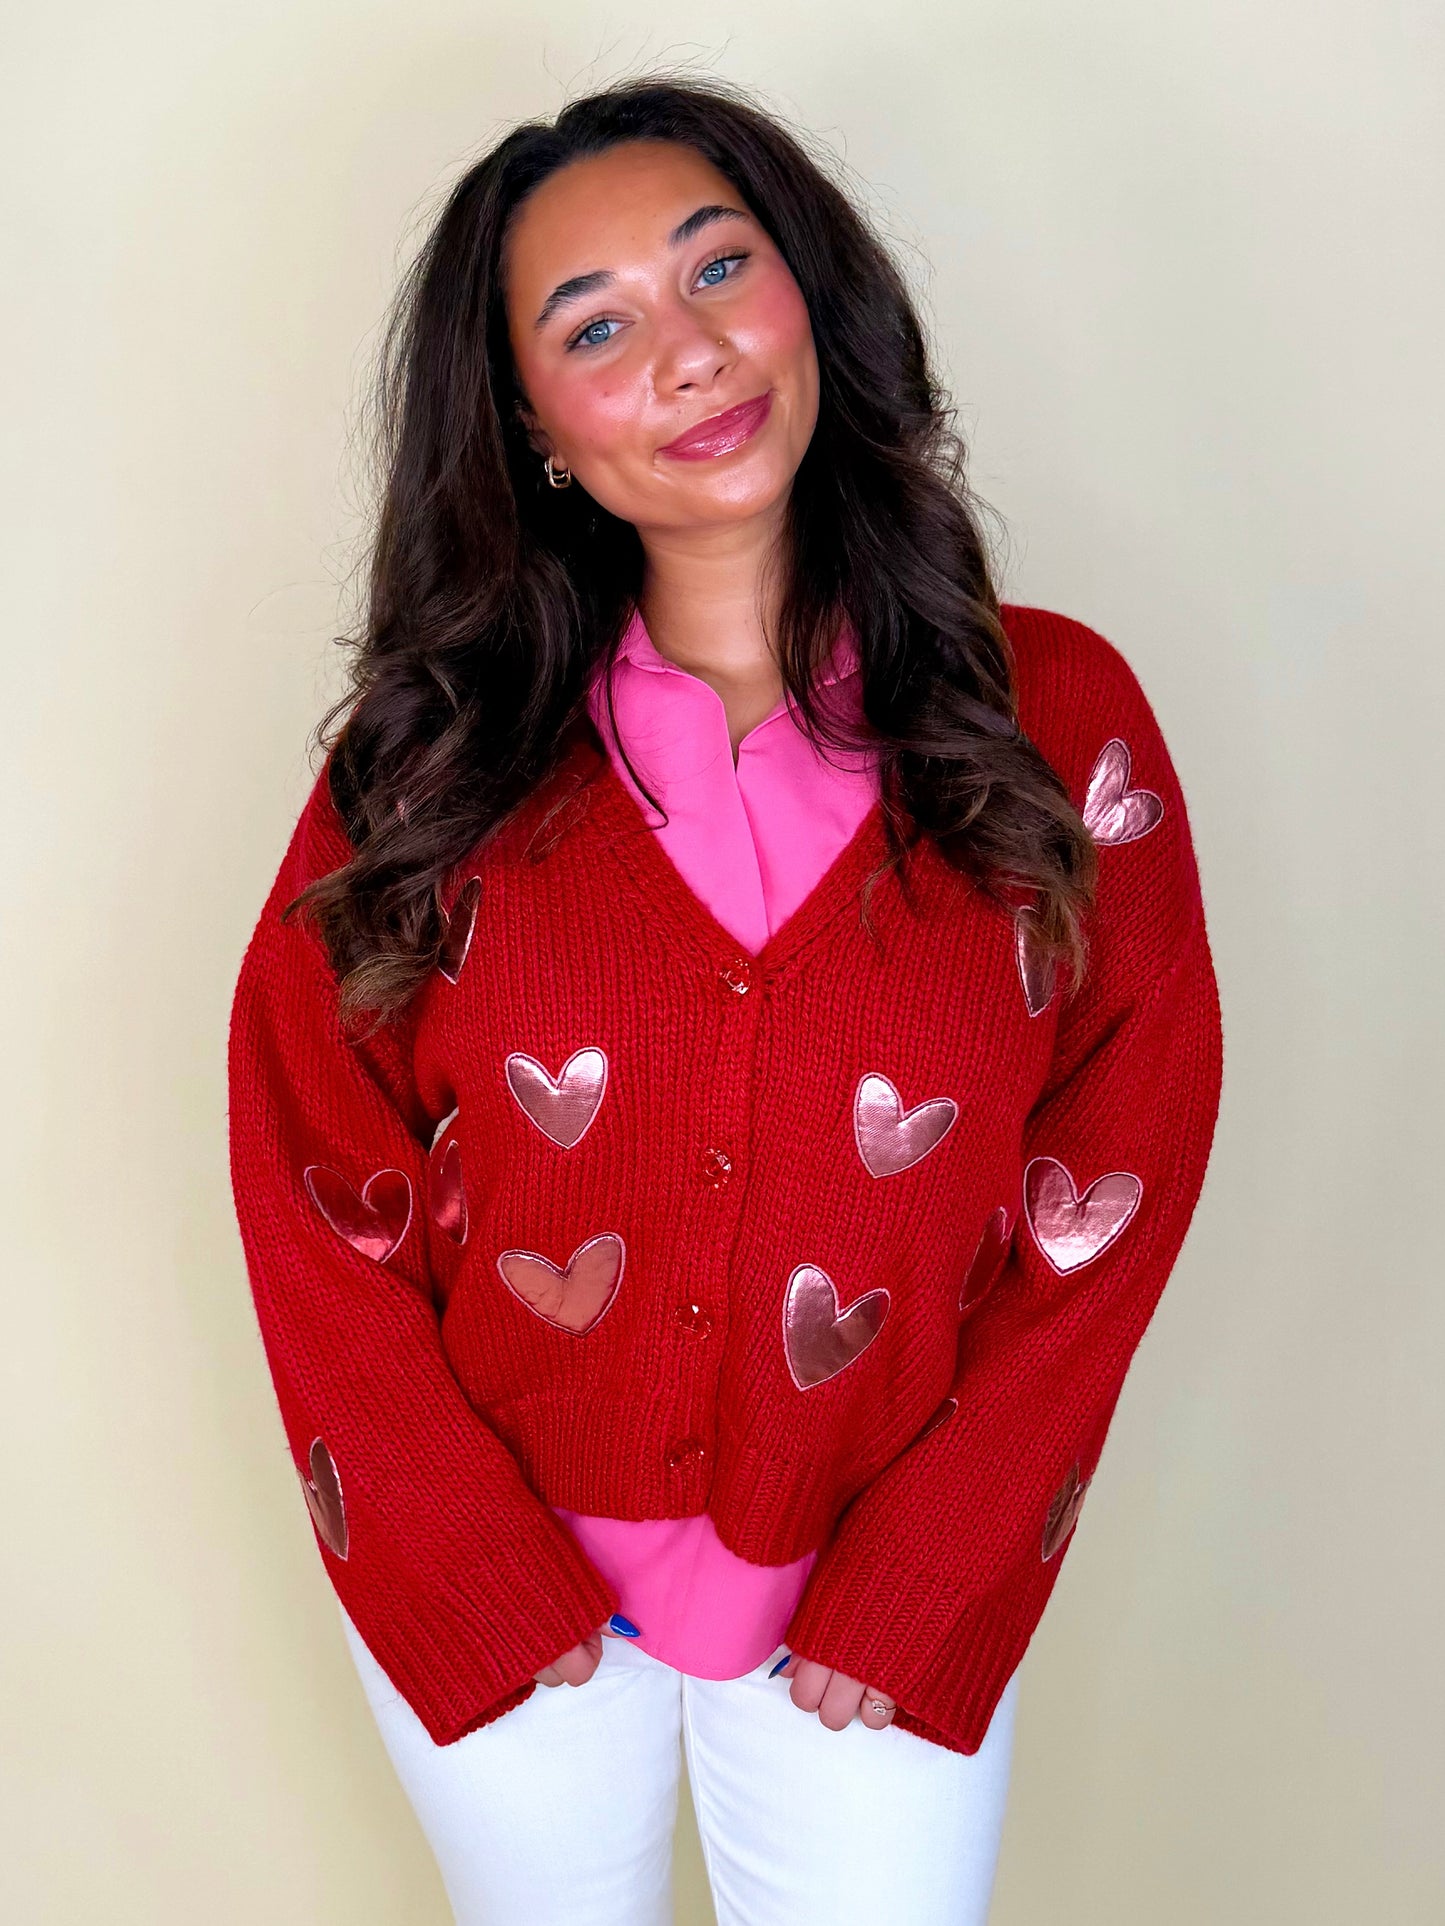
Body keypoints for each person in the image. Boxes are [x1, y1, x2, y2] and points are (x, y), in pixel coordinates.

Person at [226, 73, 1224, 1926]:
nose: (684, 351)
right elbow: (308, 1163)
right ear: (530, 424)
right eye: (593, 327)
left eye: (716, 269)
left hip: (872, 1597)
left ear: (805, 293)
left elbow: (1127, 1147)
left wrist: (940, 1562)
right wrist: (452, 1554)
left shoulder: (1051, 718)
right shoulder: (427, 761)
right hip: (515, 1599)